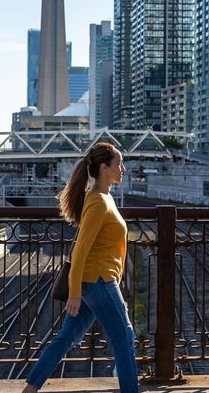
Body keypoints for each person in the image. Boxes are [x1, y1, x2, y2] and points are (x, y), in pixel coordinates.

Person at [23, 142, 138, 393]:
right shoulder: (98, 202)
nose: (123, 168)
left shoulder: (104, 198)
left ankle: (30, 390)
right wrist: (74, 293)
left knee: (66, 337)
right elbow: (80, 251)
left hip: (96, 280)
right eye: (119, 164)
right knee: (124, 337)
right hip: (98, 280)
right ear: (104, 168)